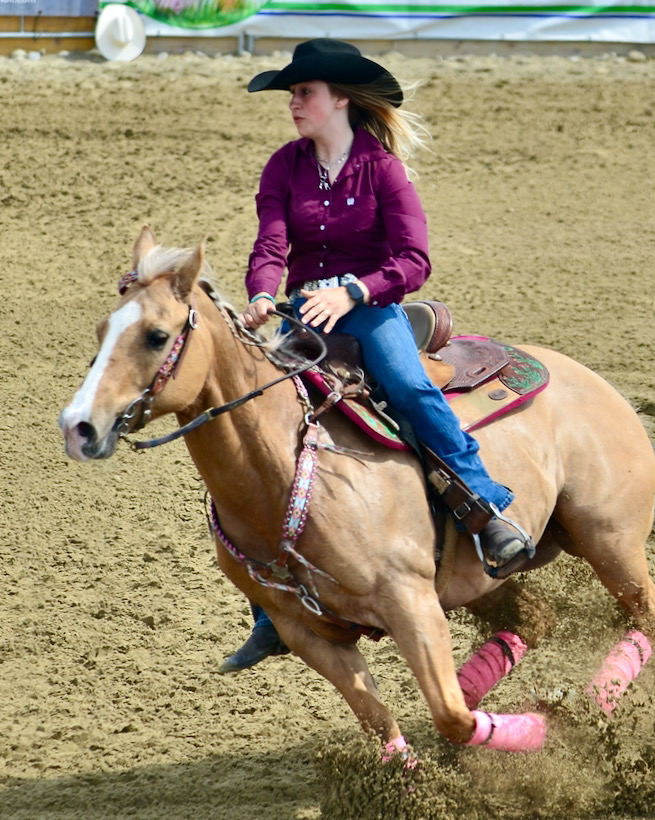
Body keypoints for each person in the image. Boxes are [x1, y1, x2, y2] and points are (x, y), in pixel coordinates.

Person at [220, 38, 531, 673]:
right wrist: (259, 292)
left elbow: (413, 261)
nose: (294, 104)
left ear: (339, 99)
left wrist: (354, 291)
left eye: (303, 92)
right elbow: (271, 242)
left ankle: (485, 508)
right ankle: (270, 610)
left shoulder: (383, 169)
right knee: (257, 418)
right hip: (302, 310)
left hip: (372, 306)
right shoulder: (283, 166)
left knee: (411, 391)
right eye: (292, 94)